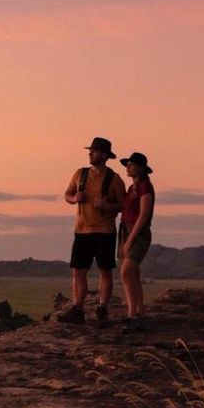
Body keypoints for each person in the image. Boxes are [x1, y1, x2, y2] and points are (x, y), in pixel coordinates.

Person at [62, 137, 126, 320]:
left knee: (105, 270)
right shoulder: (80, 174)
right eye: (90, 151)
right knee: (78, 270)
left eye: (94, 151)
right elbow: (67, 194)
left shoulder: (114, 179)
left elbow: (122, 205)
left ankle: (102, 309)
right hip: (82, 230)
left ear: (104, 155)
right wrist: (74, 199)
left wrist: (107, 206)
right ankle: (77, 308)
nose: (90, 154)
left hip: (105, 231)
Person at [117, 152, 156, 320]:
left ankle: (131, 313)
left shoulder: (145, 186)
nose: (128, 167)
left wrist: (131, 239)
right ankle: (139, 310)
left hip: (138, 232)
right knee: (133, 273)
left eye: (132, 164)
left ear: (141, 168)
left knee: (127, 271)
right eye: (128, 164)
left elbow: (144, 215)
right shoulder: (131, 188)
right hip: (126, 230)